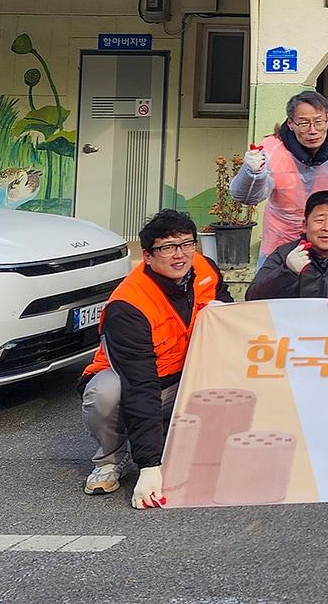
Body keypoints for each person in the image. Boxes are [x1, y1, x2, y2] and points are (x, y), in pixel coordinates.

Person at [79, 211, 231, 507]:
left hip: (188, 376)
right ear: (147, 256)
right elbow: (140, 385)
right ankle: (111, 460)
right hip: (143, 383)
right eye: (167, 248)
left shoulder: (204, 268)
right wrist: (149, 466)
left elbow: (225, 307)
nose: (180, 255)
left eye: (187, 244)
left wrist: (222, 308)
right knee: (104, 393)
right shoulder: (129, 305)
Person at [230, 91, 328, 266]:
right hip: (280, 246)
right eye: (303, 123)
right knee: (268, 291)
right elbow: (246, 197)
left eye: (318, 121)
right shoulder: (272, 150)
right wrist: (252, 173)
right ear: (291, 124)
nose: (312, 130)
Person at [246, 190, 328, 303]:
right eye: (319, 220)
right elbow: (253, 298)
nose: (327, 228)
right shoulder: (285, 255)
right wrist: (286, 272)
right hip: (292, 332)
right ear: (305, 225)